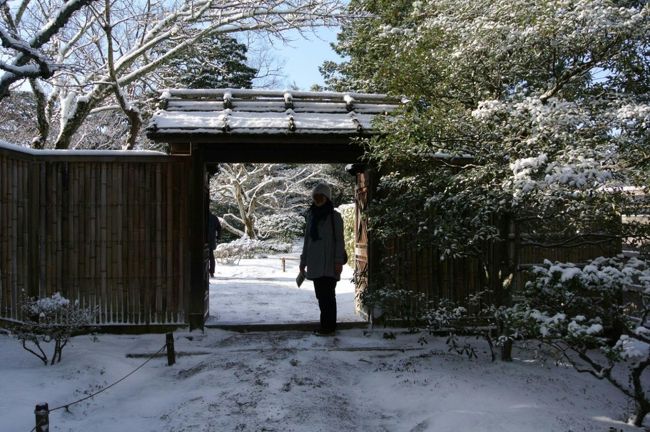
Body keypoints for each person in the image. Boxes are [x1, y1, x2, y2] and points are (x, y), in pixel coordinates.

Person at [299, 183, 346, 336]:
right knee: (321, 296)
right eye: (315, 197)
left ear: (327, 197)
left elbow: (340, 240)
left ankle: (328, 327)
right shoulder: (311, 216)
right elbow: (307, 241)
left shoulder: (335, 217)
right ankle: (325, 325)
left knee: (328, 296)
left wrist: (338, 260)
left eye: (320, 196)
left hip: (330, 264)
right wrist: (303, 262)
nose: (318, 199)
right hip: (315, 263)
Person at [208, 212, 222, 278]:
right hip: (211, 240)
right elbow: (219, 228)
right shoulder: (214, 217)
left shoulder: (201, 217)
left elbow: (219, 228)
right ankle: (211, 272)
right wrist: (218, 237)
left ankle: (208, 271)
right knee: (211, 257)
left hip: (203, 240)